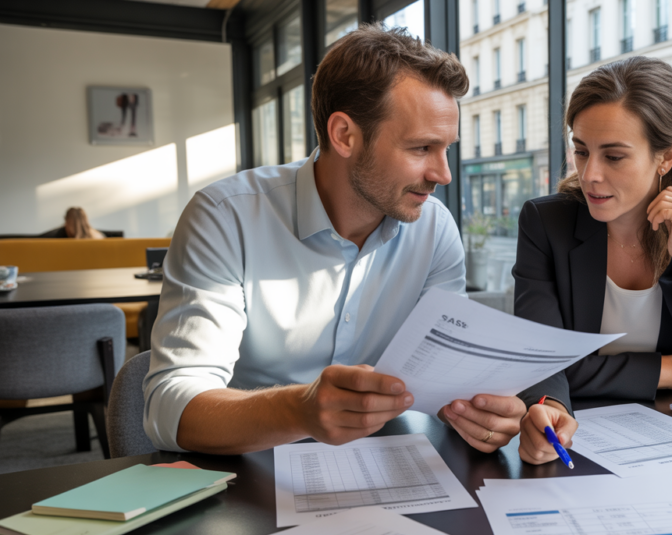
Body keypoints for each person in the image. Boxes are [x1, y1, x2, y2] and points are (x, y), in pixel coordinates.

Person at [142, 25, 575, 464]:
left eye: (446, 148)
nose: (442, 174)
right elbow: (170, 408)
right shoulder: (225, 217)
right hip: (248, 477)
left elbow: (445, 378)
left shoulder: (434, 228)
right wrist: (300, 410)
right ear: (345, 135)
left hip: (385, 471)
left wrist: (482, 414)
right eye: (422, 147)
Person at [512, 56, 672, 401]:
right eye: (581, 151)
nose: (590, 174)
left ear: (666, 157)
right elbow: (541, 365)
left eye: (613, 157)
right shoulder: (547, 223)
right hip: (576, 430)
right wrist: (667, 370)